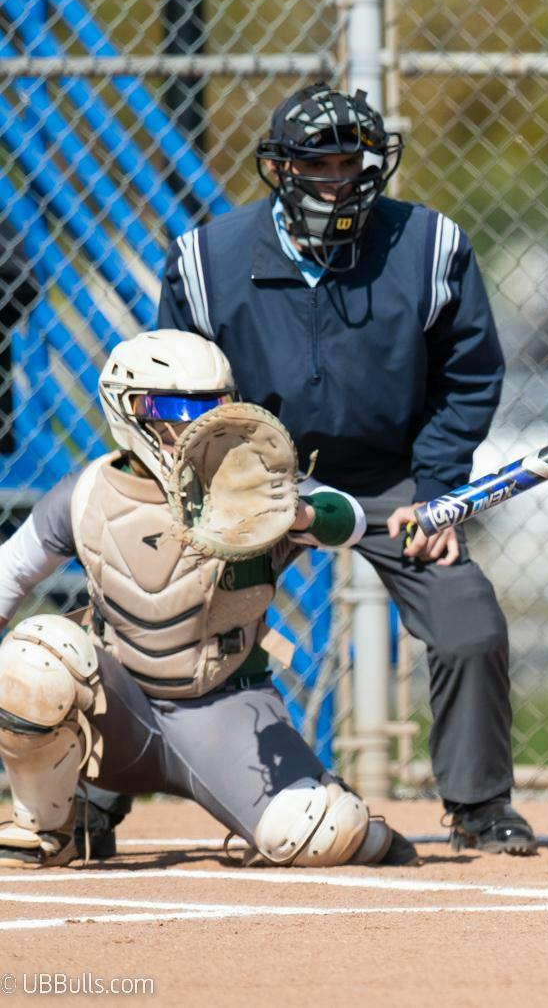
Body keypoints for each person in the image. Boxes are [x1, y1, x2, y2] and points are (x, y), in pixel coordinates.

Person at [156, 83, 535, 855]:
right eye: (316, 164)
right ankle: (92, 797)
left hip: (395, 476)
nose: (336, 180)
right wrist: (222, 486)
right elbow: (178, 385)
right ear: (279, 168)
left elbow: (467, 376)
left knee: (469, 620)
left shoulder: (426, 245)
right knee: (158, 607)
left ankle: (479, 802)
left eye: (350, 164)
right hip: (253, 477)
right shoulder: (207, 260)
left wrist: (439, 490)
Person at [0, 331, 414, 868]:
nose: (195, 424)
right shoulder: (87, 492)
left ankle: (343, 812)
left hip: (227, 712)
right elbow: (10, 571)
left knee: (321, 834)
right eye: (174, 409)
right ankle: (55, 826)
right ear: (127, 410)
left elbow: (350, 519)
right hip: (119, 712)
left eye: (212, 406)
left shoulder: (250, 483)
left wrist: (300, 514)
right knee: (33, 658)